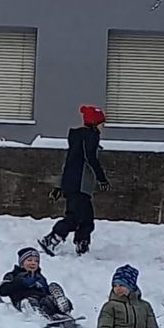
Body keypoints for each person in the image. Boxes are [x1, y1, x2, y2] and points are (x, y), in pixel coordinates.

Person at [38, 105, 110, 257]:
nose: (103, 126)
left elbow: (68, 164)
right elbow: (91, 158)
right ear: (95, 123)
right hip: (80, 185)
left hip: (72, 184)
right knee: (74, 217)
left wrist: (59, 186)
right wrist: (101, 178)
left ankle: (82, 243)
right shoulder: (90, 137)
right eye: (101, 123)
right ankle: (53, 238)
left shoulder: (77, 139)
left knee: (87, 218)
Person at [0, 247, 73, 319]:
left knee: (51, 298)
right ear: (22, 263)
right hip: (23, 299)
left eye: (36, 261)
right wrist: (21, 283)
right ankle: (38, 315)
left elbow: (46, 292)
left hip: (42, 300)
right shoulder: (13, 275)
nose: (33, 263)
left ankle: (62, 309)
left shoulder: (40, 277)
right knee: (29, 302)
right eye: (29, 260)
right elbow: (2, 289)